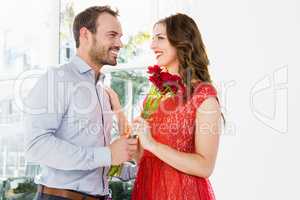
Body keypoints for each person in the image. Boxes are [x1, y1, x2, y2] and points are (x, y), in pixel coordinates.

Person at [24, 6, 137, 200]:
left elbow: (98, 163)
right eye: (112, 35)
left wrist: (136, 165)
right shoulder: (57, 79)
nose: (119, 43)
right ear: (85, 34)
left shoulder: (103, 91)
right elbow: (36, 146)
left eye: (120, 36)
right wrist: (107, 154)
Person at [131, 13, 222, 200]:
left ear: (181, 42)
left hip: (183, 194)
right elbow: (143, 157)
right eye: (152, 38)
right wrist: (135, 144)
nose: (152, 45)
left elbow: (205, 166)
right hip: (148, 191)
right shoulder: (155, 94)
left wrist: (152, 144)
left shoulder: (203, 97)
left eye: (160, 38)